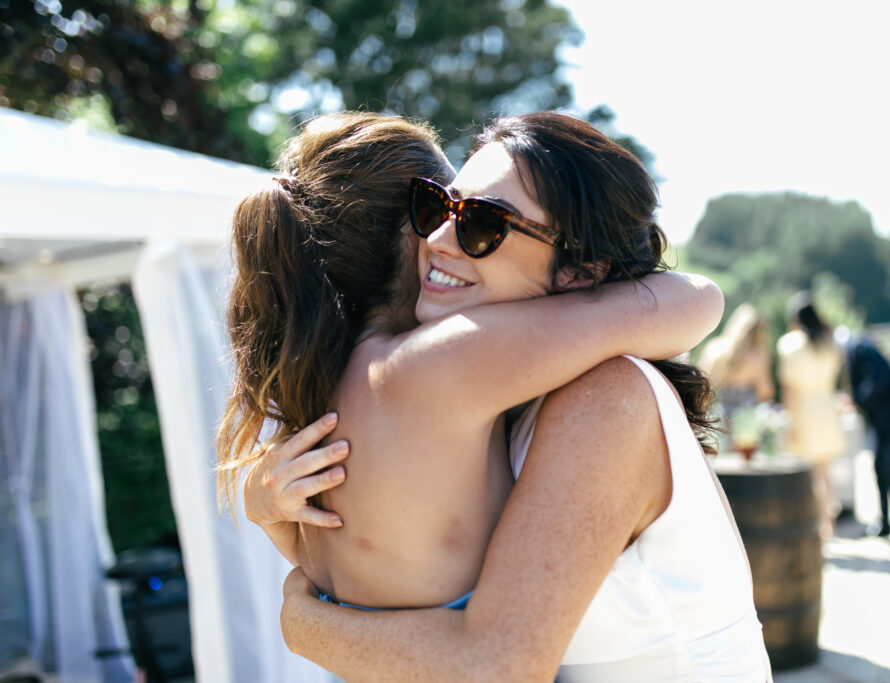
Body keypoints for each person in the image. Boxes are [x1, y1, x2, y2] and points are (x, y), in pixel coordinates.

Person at [251, 112, 771, 681]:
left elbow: (495, 662)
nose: (439, 240)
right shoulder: (490, 389)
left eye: (482, 223)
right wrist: (278, 515)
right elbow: (413, 576)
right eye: (435, 207)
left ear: (581, 270)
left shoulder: (604, 396)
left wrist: (306, 626)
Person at [776, 293, 846, 539]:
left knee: (810, 473)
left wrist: (789, 420)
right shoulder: (829, 343)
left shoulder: (790, 344)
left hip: (804, 410)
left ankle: (816, 524)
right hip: (827, 408)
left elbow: (789, 388)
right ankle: (829, 522)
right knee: (826, 470)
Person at [841, 329, 890, 545]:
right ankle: (885, 520)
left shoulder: (859, 350)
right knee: (878, 467)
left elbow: (875, 381)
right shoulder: (858, 350)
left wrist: (855, 401)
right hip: (884, 420)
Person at [699, 303, 775, 454]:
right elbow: (766, 390)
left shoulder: (715, 349)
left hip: (720, 414)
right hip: (746, 418)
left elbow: (703, 386)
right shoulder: (757, 355)